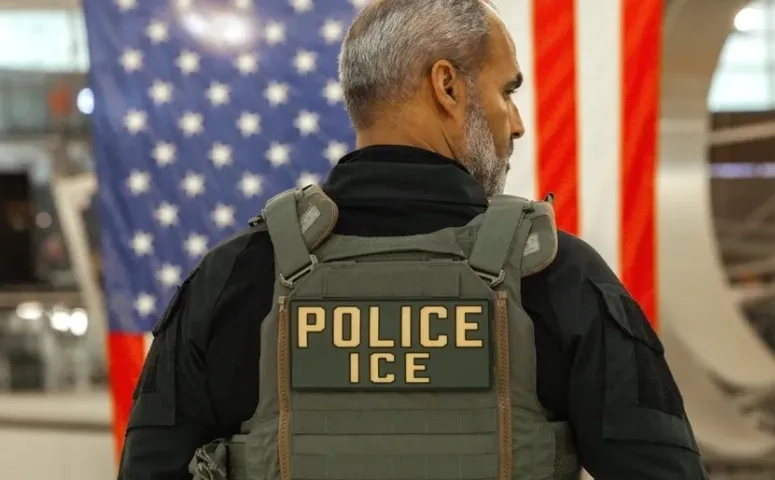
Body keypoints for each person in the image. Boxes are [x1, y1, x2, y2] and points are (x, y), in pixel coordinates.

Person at [119, 1, 709, 479]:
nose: (518, 123)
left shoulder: (232, 279)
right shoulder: (556, 275)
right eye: (507, 91)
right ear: (447, 87)